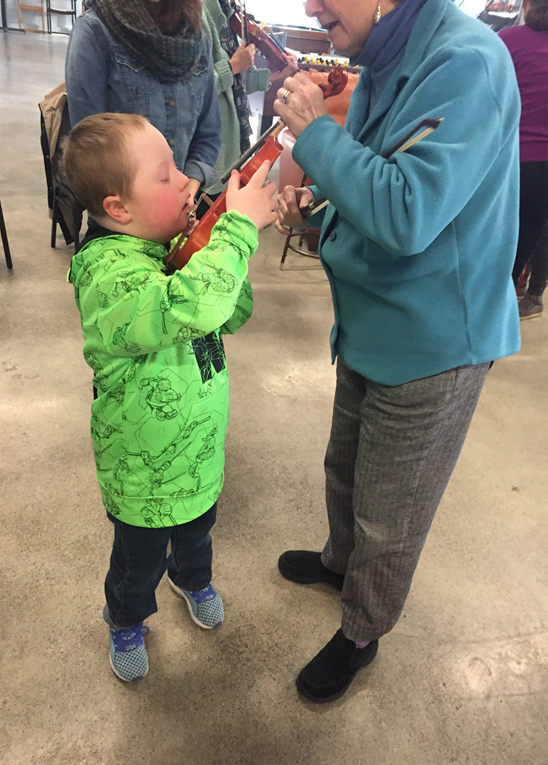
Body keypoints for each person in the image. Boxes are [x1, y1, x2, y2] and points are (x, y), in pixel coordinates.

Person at [274, 0, 521, 703]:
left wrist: (315, 135)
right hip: (375, 315)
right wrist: (318, 200)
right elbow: (376, 170)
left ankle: (363, 630)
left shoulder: (466, 63)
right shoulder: (387, 56)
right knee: (346, 465)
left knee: (390, 512)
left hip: (434, 338)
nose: (310, 6)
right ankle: (339, 562)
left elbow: (409, 210)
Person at [62, 112, 277, 682]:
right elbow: (190, 307)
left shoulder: (169, 250)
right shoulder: (109, 277)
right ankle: (126, 618)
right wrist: (236, 232)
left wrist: (221, 244)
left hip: (198, 453)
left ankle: (192, 579)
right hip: (143, 473)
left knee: (197, 534)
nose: (187, 181)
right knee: (137, 563)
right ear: (118, 209)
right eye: (165, 176)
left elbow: (230, 312)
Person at [65, 0, 221, 205]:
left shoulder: (195, 37)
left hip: (179, 206)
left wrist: (187, 190)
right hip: (123, 211)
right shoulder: (94, 30)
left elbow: (208, 133)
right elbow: (89, 148)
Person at [201, 0, 298, 197]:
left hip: (232, 140)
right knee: (208, 205)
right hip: (209, 147)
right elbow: (192, 90)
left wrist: (279, 75)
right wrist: (232, 67)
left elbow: (242, 80)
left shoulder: (227, 13)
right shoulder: (200, 14)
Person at [500, 0, 548, 319]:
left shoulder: (508, 41)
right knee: (520, 250)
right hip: (545, 170)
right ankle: (500, 314)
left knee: (488, 245)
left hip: (509, 163)